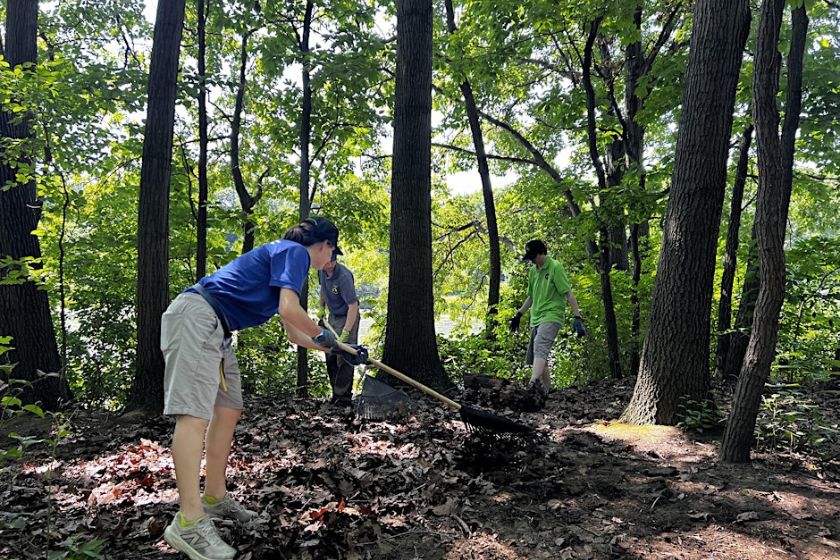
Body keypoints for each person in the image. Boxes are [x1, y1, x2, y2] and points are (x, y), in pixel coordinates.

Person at [161, 217, 369, 560]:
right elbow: (292, 311)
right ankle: (189, 521)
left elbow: (293, 332)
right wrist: (325, 335)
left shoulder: (284, 264)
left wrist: (336, 349)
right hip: (198, 317)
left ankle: (214, 498)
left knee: (228, 410)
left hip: (218, 328)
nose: (328, 259)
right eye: (330, 251)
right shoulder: (294, 253)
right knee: (193, 417)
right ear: (324, 245)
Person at [509, 239, 585, 394]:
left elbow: (568, 293)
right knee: (539, 355)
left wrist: (577, 316)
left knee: (540, 346)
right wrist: (519, 315)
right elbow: (531, 297)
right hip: (536, 318)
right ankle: (545, 392)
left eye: (533, 257)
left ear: (542, 253)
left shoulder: (555, 267)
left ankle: (532, 385)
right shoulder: (533, 271)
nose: (532, 261)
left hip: (552, 315)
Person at [318, 252, 360, 407]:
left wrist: (346, 332)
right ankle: (335, 393)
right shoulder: (321, 271)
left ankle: (344, 398)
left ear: (331, 262)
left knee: (345, 357)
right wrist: (321, 308)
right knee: (330, 354)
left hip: (348, 317)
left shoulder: (344, 277)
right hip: (333, 317)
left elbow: (353, 306)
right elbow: (323, 289)